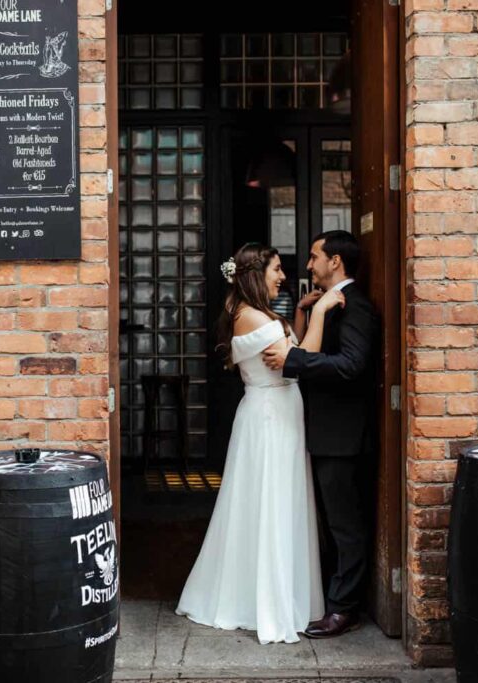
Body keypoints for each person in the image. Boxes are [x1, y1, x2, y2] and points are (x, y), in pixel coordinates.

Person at [176, 242, 346, 644]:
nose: (283, 277)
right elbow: (302, 359)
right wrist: (320, 311)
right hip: (270, 420)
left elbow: (292, 354)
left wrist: (302, 314)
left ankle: (285, 595)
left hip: (278, 412)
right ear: (257, 274)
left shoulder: (257, 315)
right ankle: (263, 601)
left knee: (279, 503)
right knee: (270, 503)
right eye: (277, 269)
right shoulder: (250, 317)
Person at [264, 230, 377, 638]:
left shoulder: (356, 306)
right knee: (333, 523)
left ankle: (344, 608)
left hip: (342, 436)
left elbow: (349, 366)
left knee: (345, 524)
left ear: (336, 262)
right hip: (325, 432)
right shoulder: (328, 304)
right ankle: (335, 598)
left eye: (315, 257)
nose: (309, 265)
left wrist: (293, 360)